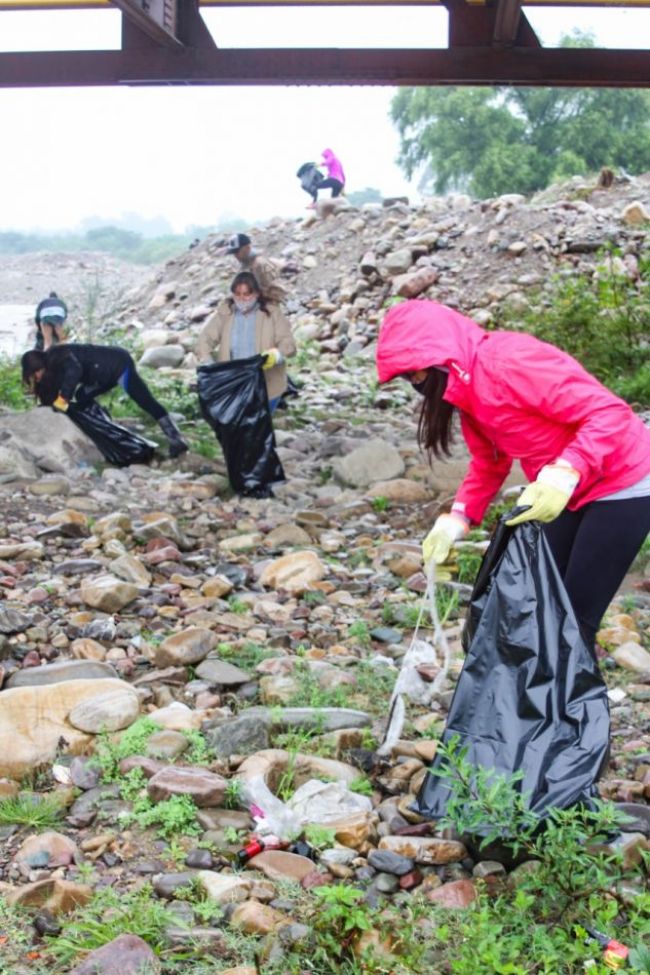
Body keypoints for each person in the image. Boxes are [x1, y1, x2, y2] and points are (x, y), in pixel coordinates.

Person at [376, 299, 650, 648]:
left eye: (416, 371)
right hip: (563, 491)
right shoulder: (465, 389)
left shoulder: (510, 362)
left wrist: (567, 468)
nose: (415, 380)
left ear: (440, 353)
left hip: (621, 482)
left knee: (574, 619)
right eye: (407, 376)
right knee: (536, 603)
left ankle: (569, 702)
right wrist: (457, 520)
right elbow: (490, 463)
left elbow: (609, 413)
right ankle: (528, 698)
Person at [21, 344, 188, 459]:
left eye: (36, 372)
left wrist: (63, 399)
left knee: (145, 400)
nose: (36, 377)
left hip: (118, 364)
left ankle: (176, 438)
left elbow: (74, 371)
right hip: (101, 373)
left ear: (40, 365)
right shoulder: (51, 364)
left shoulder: (58, 356)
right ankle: (101, 423)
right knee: (82, 396)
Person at [196, 271, 296, 413]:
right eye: (238, 294)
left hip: (267, 384)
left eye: (247, 294)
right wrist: (208, 362)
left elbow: (288, 344)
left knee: (259, 428)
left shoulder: (272, 313)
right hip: (234, 383)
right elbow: (204, 339)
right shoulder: (226, 313)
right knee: (238, 429)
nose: (242, 299)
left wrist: (276, 354)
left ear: (256, 294)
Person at [224, 233, 286, 304]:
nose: (235, 255)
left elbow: (274, 290)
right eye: (233, 252)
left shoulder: (260, 264)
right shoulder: (245, 265)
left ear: (247, 248)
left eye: (237, 252)